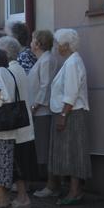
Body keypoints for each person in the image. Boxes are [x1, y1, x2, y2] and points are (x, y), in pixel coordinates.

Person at [0, 38, 37, 208]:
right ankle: (19, 198)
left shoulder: (0, 72)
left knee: (1, 164)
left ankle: (3, 201)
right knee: (15, 164)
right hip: (19, 122)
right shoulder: (17, 69)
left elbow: (0, 98)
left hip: (3, 125)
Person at [48, 28, 90, 206]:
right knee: (70, 152)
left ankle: (74, 192)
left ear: (66, 45)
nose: (56, 47)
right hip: (69, 112)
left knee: (73, 153)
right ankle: (75, 190)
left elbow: (71, 93)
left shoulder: (73, 63)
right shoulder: (71, 62)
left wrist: (63, 114)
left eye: (58, 44)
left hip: (71, 113)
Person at [28, 30, 61, 197]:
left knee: (45, 148)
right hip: (40, 110)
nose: (31, 42)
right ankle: (50, 183)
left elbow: (45, 85)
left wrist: (35, 105)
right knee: (42, 148)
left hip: (43, 111)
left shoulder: (46, 60)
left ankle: (51, 185)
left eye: (33, 39)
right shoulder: (42, 59)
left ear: (39, 43)